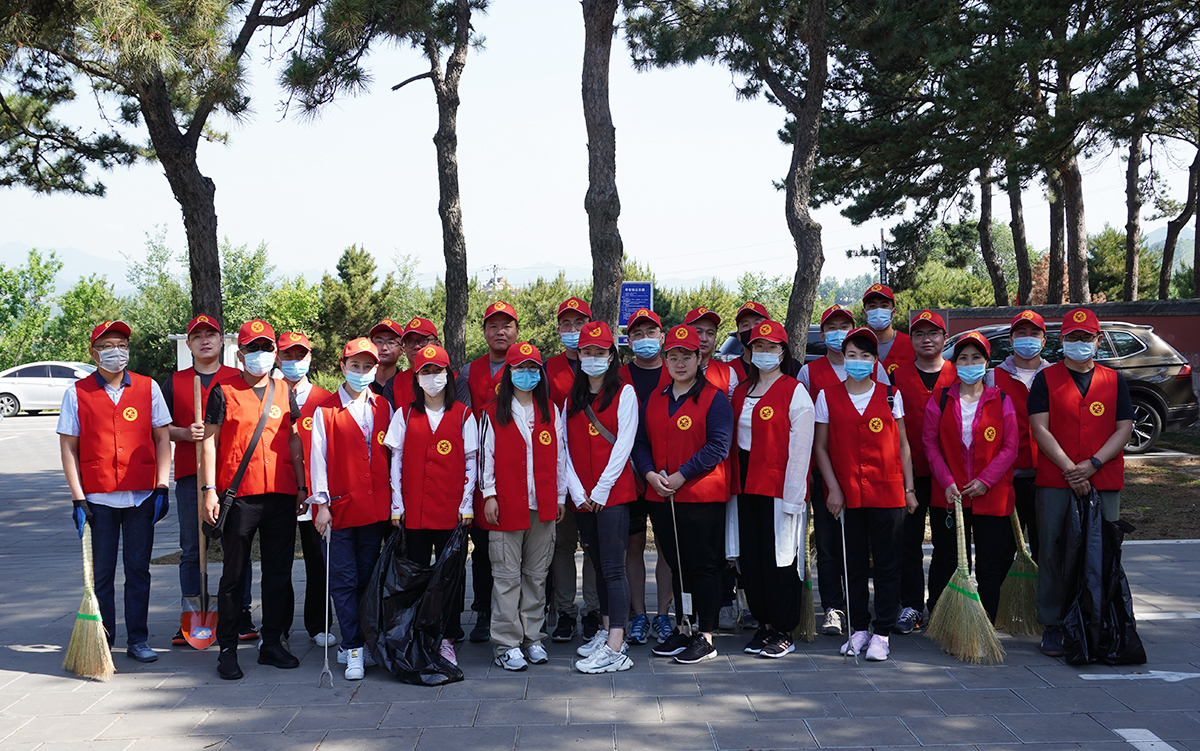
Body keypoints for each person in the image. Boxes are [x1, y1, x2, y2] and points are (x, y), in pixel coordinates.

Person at [59, 320, 172, 663]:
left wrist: (163, 485)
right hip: (98, 499)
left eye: (122, 345)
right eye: (107, 346)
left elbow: (163, 438)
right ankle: (103, 641)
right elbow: (68, 448)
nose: (116, 351)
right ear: (93, 353)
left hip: (141, 496)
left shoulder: (148, 387)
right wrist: (77, 497)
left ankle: (138, 639)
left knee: (138, 569)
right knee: (102, 574)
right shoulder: (77, 393)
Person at [202, 320, 307, 680]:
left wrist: (301, 485)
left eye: (265, 347)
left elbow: (293, 438)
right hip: (239, 495)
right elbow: (209, 442)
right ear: (240, 353)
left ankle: (272, 642)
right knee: (234, 573)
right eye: (252, 348)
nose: (259, 354)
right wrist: (209, 489)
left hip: (280, 493)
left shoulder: (283, 390)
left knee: (278, 573)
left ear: (274, 353)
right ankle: (227, 648)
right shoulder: (223, 390)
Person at [1029, 308, 1134, 657]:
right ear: (1061, 341)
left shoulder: (1114, 380)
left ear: (1098, 340)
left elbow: (1124, 429)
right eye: (1072, 337)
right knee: (1052, 550)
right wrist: (1070, 469)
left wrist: (1093, 464)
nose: (1079, 343)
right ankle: (1053, 622)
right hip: (1056, 480)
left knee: (1104, 549)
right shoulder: (1046, 379)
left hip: (1103, 477)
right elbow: (1039, 428)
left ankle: (1100, 618)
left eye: (1086, 337)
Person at [812, 327, 917, 662]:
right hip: (849, 493)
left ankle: (882, 633)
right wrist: (832, 488)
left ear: (875, 360)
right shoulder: (827, 396)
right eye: (852, 355)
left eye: (866, 355)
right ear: (843, 358)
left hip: (888, 490)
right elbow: (820, 447)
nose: (858, 361)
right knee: (853, 564)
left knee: (887, 565)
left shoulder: (890, 395)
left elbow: (903, 444)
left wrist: (909, 489)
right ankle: (858, 629)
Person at [635, 324, 734, 665]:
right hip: (662, 496)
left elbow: (718, 446)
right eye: (673, 356)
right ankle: (684, 625)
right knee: (678, 566)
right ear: (665, 359)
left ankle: (706, 635)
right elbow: (641, 443)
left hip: (700, 497)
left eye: (687, 357)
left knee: (703, 566)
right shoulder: (655, 398)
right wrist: (649, 473)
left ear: (699, 358)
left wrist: (680, 475)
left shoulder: (714, 398)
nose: (679, 363)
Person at [797, 305, 889, 637]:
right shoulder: (810, 373)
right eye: (831, 327)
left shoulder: (876, 370)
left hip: (869, 476)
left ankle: (860, 607)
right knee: (828, 544)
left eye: (844, 325)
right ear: (823, 335)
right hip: (826, 474)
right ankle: (833, 607)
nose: (838, 332)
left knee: (862, 546)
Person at [383, 343, 477, 666]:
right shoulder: (404, 414)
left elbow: (471, 462)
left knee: (449, 576)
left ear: (448, 375)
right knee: (416, 575)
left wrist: (467, 504)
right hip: (414, 511)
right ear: (416, 377)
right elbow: (395, 463)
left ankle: (447, 635)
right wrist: (397, 506)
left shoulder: (463, 414)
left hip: (451, 510)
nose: (432, 377)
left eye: (438, 371)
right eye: (426, 371)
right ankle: (417, 632)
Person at [728, 320, 814, 658]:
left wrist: (794, 496)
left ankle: (784, 629)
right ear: (749, 352)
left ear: (783, 352)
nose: (764, 352)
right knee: (751, 559)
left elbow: (801, 451)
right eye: (758, 347)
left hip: (778, 489)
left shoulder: (795, 391)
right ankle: (763, 625)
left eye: (771, 347)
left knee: (779, 559)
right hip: (744, 486)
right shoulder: (739, 391)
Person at [478, 342, 567, 671]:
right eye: (520, 368)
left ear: (540, 373)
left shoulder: (549, 410)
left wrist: (559, 497)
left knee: (536, 576)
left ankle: (533, 638)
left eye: (533, 368)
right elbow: (485, 456)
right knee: (506, 576)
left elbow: (560, 457)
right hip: (505, 505)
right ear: (509, 372)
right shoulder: (491, 412)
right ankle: (506, 643)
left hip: (542, 504)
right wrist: (489, 494)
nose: (527, 374)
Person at [309, 338, 394, 680]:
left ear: (376, 369)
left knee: (367, 578)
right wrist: (322, 505)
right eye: (355, 366)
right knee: (343, 580)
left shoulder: (383, 407)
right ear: (343, 367)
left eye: (367, 366)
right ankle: (352, 646)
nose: (361, 372)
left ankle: (365, 638)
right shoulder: (326, 411)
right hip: (340, 509)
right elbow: (318, 461)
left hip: (374, 509)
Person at [922, 331, 1018, 621]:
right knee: (947, 558)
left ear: (986, 363)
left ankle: (986, 619)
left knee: (990, 562)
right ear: (955, 364)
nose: (969, 363)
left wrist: (986, 480)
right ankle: (942, 617)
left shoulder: (1001, 399)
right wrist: (947, 481)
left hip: (991, 495)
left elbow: (1010, 446)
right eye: (963, 358)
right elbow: (930, 443)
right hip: (949, 495)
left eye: (976, 358)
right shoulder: (941, 398)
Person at [161, 314, 244, 646]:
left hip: (233, 476)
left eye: (211, 334)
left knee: (236, 547)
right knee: (192, 548)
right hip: (191, 476)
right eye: (198, 336)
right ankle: (191, 617)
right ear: (189, 344)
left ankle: (239, 616)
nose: (205, 340)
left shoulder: (237, 378)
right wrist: (183, 433)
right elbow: (158, 428)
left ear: (222, 341)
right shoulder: (176, 382)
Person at [564, 321, 638, 673]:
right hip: (583, 496)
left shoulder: (625, 393)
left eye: (600, 352)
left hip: (613, 494)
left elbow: (624, 445)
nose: (593, 357)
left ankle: (616, 647)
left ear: (611, 356)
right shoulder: (572, 399)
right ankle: (607, 630)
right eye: (587, 352)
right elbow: (564, 448)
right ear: (579, 355)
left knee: (613, 567)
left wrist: (601, 489)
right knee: (597, 565)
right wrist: (578, 491)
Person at [889, 309, 957, 634]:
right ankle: (911, 606)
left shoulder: (959, 374)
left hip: (949, 476)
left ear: (945, 338)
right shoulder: (897, 377)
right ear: (912, 339)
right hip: (910, 474)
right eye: (919, 334)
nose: (926, 339)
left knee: (948, 543)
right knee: (908, 542)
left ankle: (942, 606)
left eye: (933, 333)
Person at [460, 300, 518, 642]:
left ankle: (527, 609)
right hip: (482, 472)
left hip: (520, 469)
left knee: (520, 543)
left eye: (506, 325)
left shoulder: (528, 365)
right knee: (483, 546)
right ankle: (484, 610)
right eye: (493, 326)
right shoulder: (470, 371)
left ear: (516, 330)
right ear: (483, 332)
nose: (500, 332)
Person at [546, 297, 602, 643]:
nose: (572, 329)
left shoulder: (603, 365)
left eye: (579, 323)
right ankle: (565, 611)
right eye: (566, 324)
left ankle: (593, 609)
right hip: (560, 473)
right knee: (562, 546)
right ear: (558, 330)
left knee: (594, 547)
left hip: (597, 475)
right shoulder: (548, 368)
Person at [620, 308, 674, 645]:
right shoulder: (620, 375)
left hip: (669, 475)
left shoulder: (675, 370)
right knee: (634, 546)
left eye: (650, 333)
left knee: (667, 547)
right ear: (628, 341)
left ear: (662, 336)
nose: (645, 340)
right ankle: (638, 614)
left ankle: (663, 615)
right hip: (632, 475)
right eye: (637, 334)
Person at [278, 331, 335, 648]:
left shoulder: (326, 400)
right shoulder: (268, 395)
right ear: (278, 358)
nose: (294, 361)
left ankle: (319, 623)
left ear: (310, 358)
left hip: (315, 494)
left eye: (300, 355)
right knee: (279, 562)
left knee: (318, 561)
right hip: (278, 491)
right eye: (287, 355)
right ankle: (279, 626)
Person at [985, 310, 1051, 562]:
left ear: (1044, 340)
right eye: (1021, 333)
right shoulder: (992, 377)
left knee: (1047, 550)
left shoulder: (1055, 376)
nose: (1028, 338)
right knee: (1001, 551)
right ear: (1011, 340)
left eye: (1034, 333)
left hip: (1047, 476)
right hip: (1006, 478)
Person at [384, 317, 442, 410]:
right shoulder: (393, 384)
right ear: (404, 348)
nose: (416, 346)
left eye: (423, 340)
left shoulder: (455, 381)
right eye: (410, 341)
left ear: (438, 344)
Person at [861, 284, 914, 379]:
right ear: (864, 313)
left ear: (893, 312)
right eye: (872, 306)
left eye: (884, 305)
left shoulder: (911, 344)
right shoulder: (855, 346)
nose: (878, 310)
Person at [686, 306, 738, 398]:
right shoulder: (671, 370)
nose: (704, 339)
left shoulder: (727, 373)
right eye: (698, 332)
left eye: (710, 333)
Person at [729, 301, 770, 381]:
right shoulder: (728, 371)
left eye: (757, 323)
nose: (752, 328)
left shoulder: (788, 367)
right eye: (746, 325)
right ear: (738, 335)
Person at [367, 319, 405, 397]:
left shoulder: (409, 384)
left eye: (391, 343)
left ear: (401, 350)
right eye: (379, 341)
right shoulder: (360, 382)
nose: (384, 348)